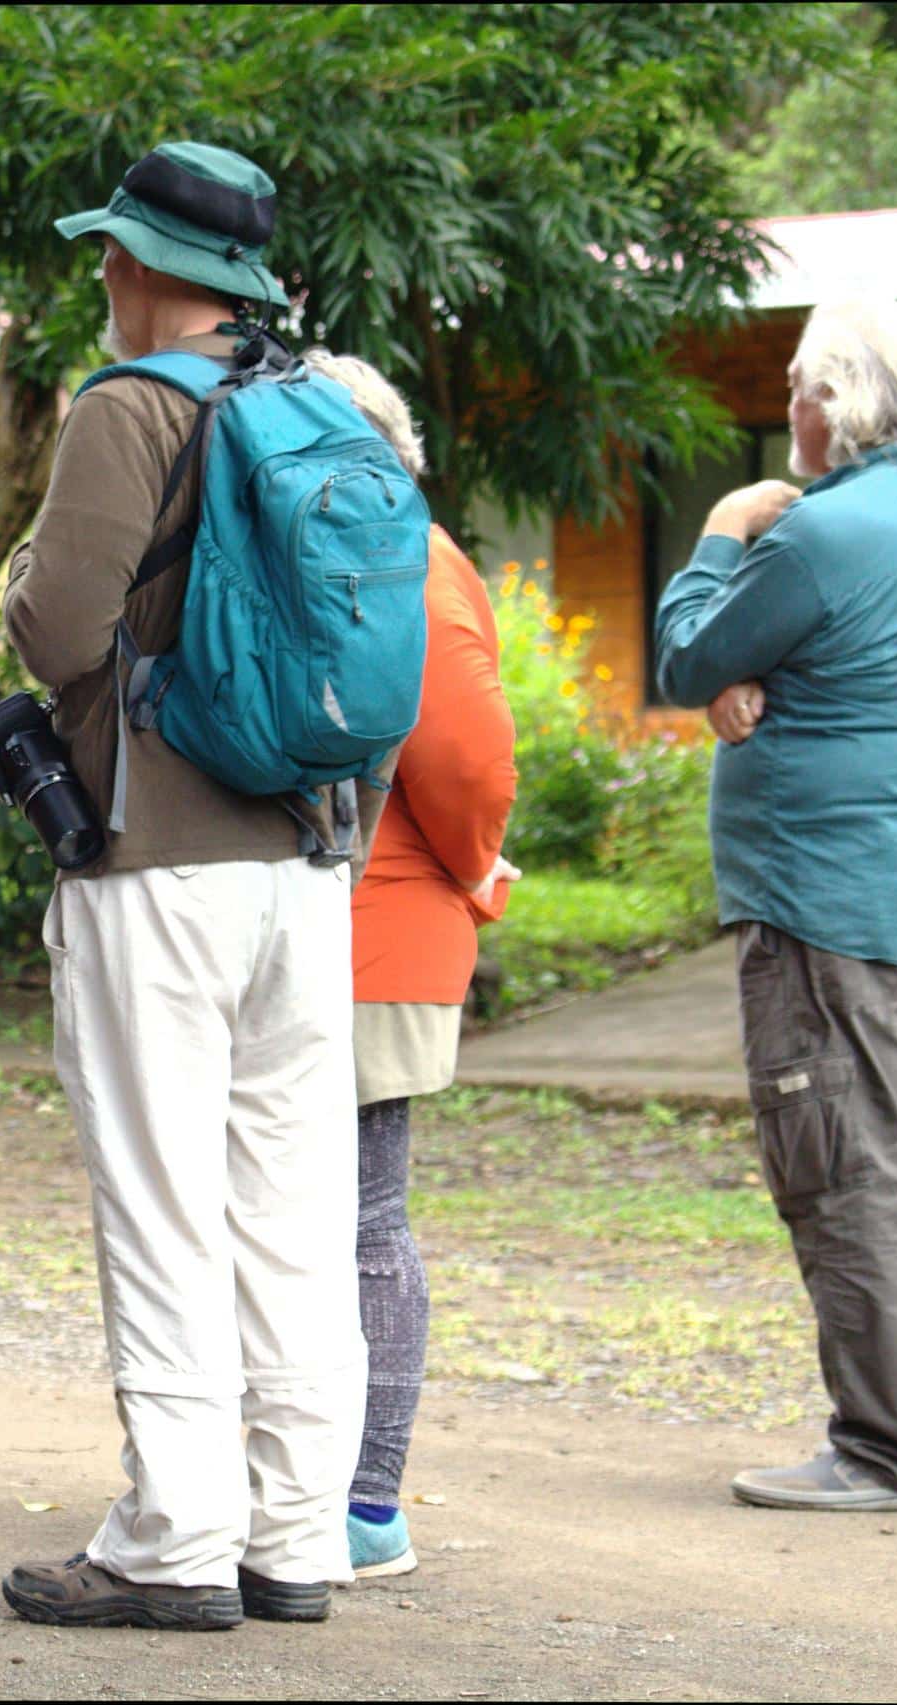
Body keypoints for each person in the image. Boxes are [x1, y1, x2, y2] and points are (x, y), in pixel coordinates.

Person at [0, 142, 369, 1632]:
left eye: (112, 256)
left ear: (151, 271)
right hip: (305, 861)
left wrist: (26, 577)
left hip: (154, 862)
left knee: (161, 1203)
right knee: (291, 1208)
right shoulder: (323, 403)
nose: (102, 277)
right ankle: (295, 1534)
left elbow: (58, 631)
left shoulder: (127, 411)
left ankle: (172, 1539)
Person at [654, 295, 897, 1514]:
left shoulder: (818, 539)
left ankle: (886, 1453)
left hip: (826, 901)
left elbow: (686, 660)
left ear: (847, 401)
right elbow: (846, 665)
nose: (789, 406)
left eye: (804, 386)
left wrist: (716, 532)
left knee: (847, 1172)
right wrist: (751, 679)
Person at [303, 352, 518, 1578]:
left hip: (365, 929)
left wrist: (473, 859)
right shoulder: (414, 558)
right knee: (349, 1219)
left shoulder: (405, 561)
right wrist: (478, 865)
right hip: (376, 919)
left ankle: (362, 1499)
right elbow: (474, 772)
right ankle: (340, 1496)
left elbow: (461, 760)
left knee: (356, 1220)